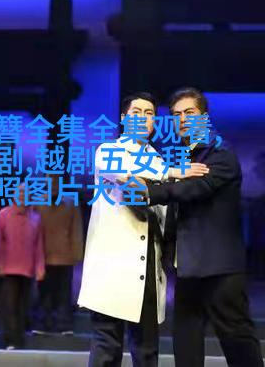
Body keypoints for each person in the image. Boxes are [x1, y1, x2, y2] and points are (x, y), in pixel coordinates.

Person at [78, 92, 208, 367]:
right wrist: (174, 173)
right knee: (107, 348)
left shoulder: (158, 159)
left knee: (147, 350)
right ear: (123, 119)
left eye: (149, 114)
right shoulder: (109, 150)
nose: (143, 118)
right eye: (136, 112)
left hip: (148, 266)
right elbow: (128, 178)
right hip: (112, 264)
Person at [142, 88, 264, 367]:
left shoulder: (220, 154)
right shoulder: (183, 158)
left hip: (220, 270)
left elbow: (194, 189)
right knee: (186, 346)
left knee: (237, 342)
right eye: (176, 115)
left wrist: (149, 191)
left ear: (205, 117)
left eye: (190, 112)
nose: (183, 119)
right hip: (188, 268)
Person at [0, 183, 45, 350]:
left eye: (26, 193)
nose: (23, 196)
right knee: (9, 306)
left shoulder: (35, 218)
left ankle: (19, 339)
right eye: (20, 193)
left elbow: (38, 246)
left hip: (27, 270)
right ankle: (10, 340)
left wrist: (40, 268)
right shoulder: (2, 216)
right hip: (8, 270)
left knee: (23, 307)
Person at [34, 174, 84, 335]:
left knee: (63, 293)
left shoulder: (70, 203)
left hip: (64, 256)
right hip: (44, 255)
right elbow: (33, 230)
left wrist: (77, 253)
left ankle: (63, 324)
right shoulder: (37, 202)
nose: (54, 184)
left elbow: (76, 230)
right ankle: (44, 323)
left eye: (56, 181)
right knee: (45, 292)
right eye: (51, 181)